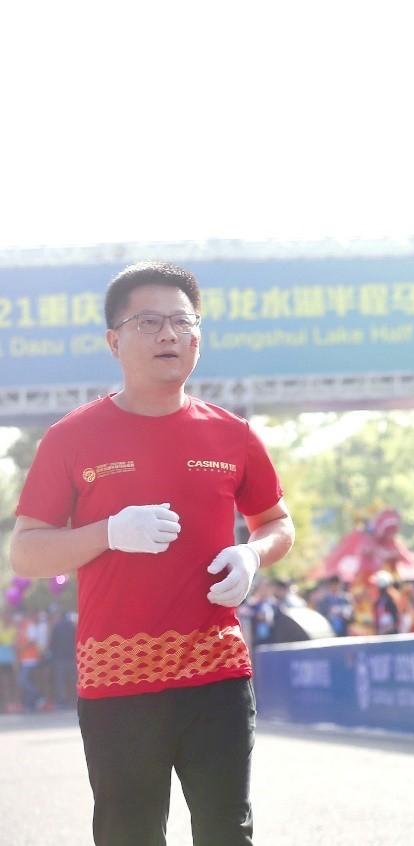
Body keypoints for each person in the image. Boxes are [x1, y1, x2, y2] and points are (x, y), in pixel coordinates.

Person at [9, 261, 294, 846]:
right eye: (149, 322)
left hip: (216, 671)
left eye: (182, 322)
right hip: (118, 678)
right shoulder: (71, 438)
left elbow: (276, 523)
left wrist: (253, 556)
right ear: (114, 341)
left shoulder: (232, 434)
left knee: (226, 831)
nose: (169, 334)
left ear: (198, 336)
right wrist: (107, 532)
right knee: (128, 833)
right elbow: (27, 553)